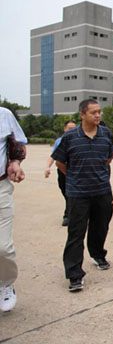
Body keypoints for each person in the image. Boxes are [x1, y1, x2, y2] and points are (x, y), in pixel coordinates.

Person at [52, 100, 113, 292]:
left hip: (102, 191)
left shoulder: (106, 134)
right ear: (82, 115)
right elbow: (59, 162)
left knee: (101, 226)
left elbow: (109, 157)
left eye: (99, 112)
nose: (98, 115)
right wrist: (74, 177)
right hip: (78, 193)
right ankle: (74, 274)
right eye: (93, 112)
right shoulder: (70, 137)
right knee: (76, 234)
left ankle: (98, 254)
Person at [0, 107, 27, 313]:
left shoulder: (4, 115)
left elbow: (19, 143)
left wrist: (15, 162)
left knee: (3, 247)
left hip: (1, 187)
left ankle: (5, 283)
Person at [44, 120, 77, 226]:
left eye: (74, 128)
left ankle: (68, 216)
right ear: (64, 129)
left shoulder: (79, 139)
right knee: (65, 192)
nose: (72, 130)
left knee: (72, 194)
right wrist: (48, 167)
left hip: (76, 171)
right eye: (69, 128)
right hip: (63, 169)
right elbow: (54, 156)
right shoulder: (59, 141)